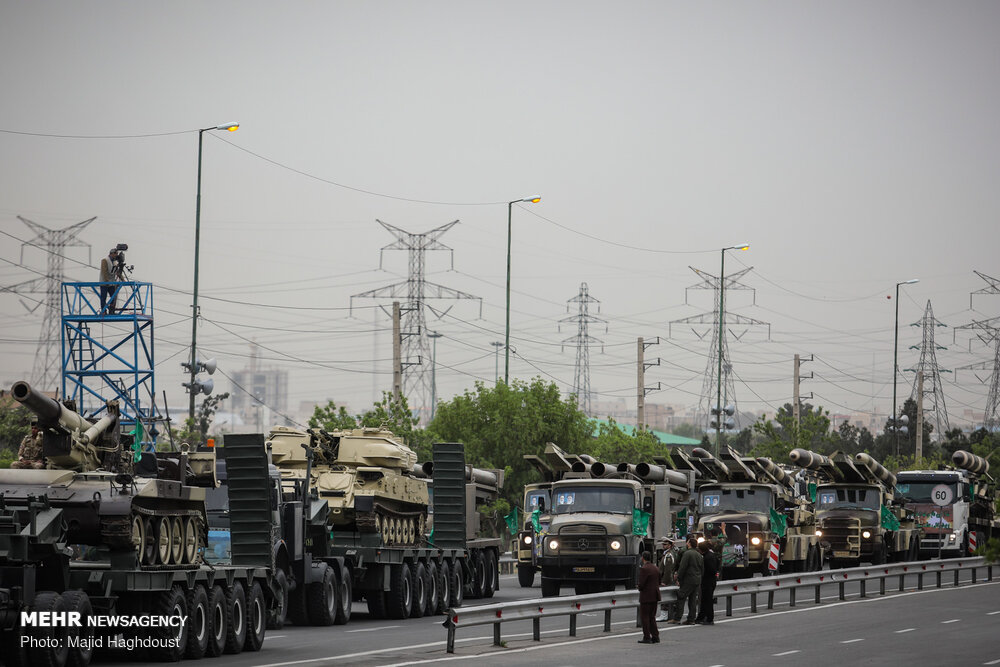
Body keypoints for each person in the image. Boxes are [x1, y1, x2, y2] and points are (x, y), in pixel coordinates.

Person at [669, 536, 703, 625]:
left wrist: (679, 578)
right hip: (697, 579)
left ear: (689, 544)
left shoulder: (687, 554)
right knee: (692, 600)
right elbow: (702, 568)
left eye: (687, 542)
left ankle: (677, 618)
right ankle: (691, 618)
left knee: (681, 597)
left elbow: (682, 567)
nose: (686, 544)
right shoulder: (699, 554)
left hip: (688, 579)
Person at [636, 551, 661, 644]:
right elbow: (659, 581)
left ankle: (647, 636)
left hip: (646, 596)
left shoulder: (644, 569)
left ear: (643, 558)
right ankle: (655, 636)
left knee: (645, 617)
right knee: (652, 617)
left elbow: (641, 584)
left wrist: (638, 586)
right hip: (655, 595)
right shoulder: (655, 568)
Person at [696, 539, 720, 625]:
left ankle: (709, 618)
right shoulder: (711, 555)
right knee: (704, 599)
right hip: (710, 580)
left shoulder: (707, 558)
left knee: (708, 600)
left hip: (708, 581)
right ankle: (701, 617)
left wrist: (703, 574)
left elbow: (711, 570)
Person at [656, 537, 679, 622]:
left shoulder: (669, 555)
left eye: (665, 544)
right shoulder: (671, 553)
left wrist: (664, 582)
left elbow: (668, 570)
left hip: (668, 580)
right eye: (663, 544)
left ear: (670, 545)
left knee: (664, 597)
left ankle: (664, 614)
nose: (663, 546)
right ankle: (671, 614)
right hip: (671, 579)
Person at [99, 248, 118, 314]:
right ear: (112, 253)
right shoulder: (105, 260)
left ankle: (111, 310)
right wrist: (107, 280)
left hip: (111, 283)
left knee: (113, 296)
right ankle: (103, 311)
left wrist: (123, 279)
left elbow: (117, 272)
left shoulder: (115, 262)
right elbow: (104, 271)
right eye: (115, 254)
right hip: (104, 283)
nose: (116, 255)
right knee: (103, 297)